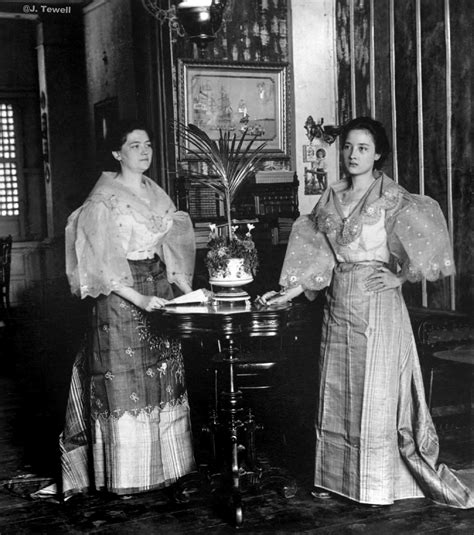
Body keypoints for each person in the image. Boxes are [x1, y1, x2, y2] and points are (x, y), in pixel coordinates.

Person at [258, 117, 474, 508]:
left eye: (362, 148)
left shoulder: (391, 197)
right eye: (348, 147)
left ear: (377, 154)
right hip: (339, 300)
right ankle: (335, 478)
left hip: (377, 302)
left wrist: (401, 278)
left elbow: (425, 243)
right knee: (337, 389)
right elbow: (319, 262)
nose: (353, 155)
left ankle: (374, 483)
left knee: (375, 392)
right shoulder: (331, 198)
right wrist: (286, 294)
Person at [54, 120, 196, 499]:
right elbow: (101, 265)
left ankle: (167, 466)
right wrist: (140, 298)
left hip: (158, 286)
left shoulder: (154, 191)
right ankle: (127, 475)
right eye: (134, 146)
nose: (144, 151)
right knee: (124, 379)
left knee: (162, 375)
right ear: (117, 154)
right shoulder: (104, 198)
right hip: (121, 296)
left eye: (147, 145)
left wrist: (188, 292)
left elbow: (169, 246)